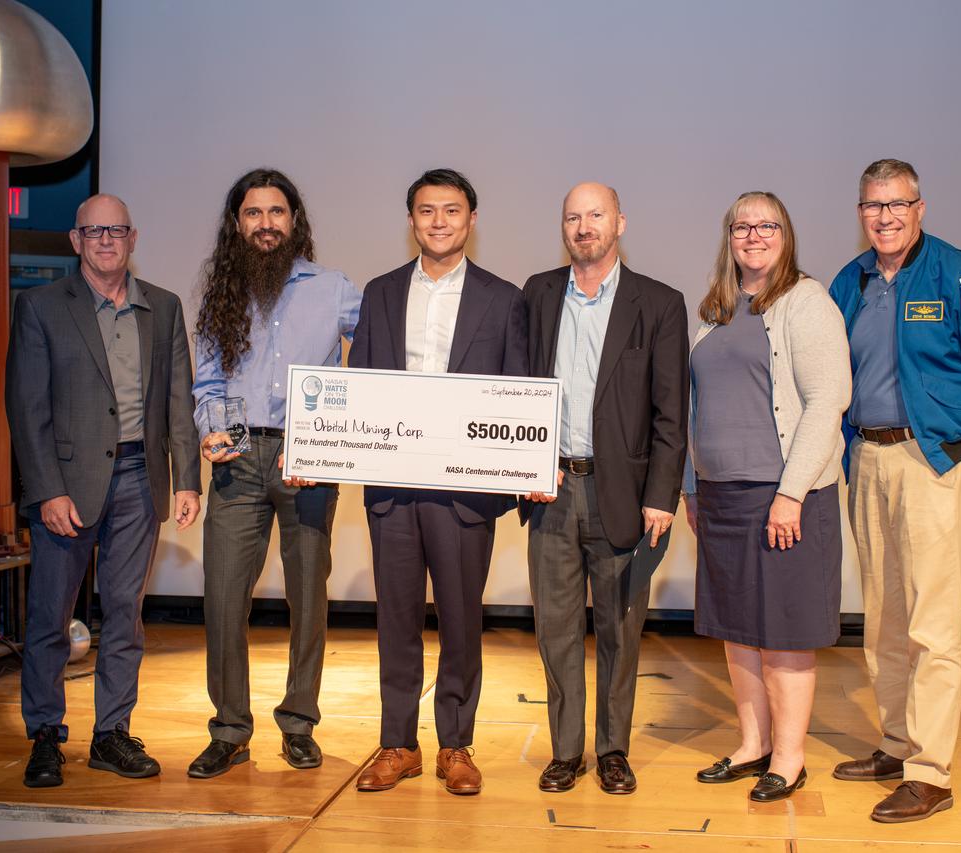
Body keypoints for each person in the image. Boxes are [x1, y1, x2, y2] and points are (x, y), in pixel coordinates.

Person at [829, 159, 961, 822]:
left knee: (933, 623)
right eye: (873, 205)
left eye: (897, 204)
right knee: (883, 616)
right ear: (861, 212)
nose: (884, 217)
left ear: (919, 208)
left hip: (933, 461)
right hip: (869, 460)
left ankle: (931, 772)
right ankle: (896, 744)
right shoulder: (851, 282)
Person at [6, 193, 202, 787]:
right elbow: (26, 408)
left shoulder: (163, 307)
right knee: (51, 615)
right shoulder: (40, 306)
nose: (106, 240)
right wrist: (46, 490)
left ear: (133, 238)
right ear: (76, 241)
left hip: (140, 479)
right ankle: (45, 734)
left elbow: (178, 400)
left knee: (124, 614)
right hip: (67, 486)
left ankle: (111, 734)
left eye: (117, 230)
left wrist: (187, 479)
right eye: (94, 232)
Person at [349, 169, 527, 795]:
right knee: (395, 620)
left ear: (472, 219)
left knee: (461, 621)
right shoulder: (380, 293)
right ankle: (398, 744)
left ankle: (456, 745)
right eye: (427, 211)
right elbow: (360, 383)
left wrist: (518, 472)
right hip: (393, 490)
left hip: (464, 493)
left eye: (452, 210)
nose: (439, 221)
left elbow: (517, 392)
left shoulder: (504, 299)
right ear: (412, 221)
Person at [188, 169, 361, 778]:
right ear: (237, 224)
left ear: (295, 220)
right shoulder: (221, 293)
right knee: (223, 598)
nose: (266, 224)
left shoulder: (335, 289)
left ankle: (299, 723)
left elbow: (377, 359)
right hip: (237, 461)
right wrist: (210, 426)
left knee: (308, 596)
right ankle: (230, 729)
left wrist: (336, 436)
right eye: (253, 213)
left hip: (307, 461)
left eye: (277, 211)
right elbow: (207, 383)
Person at [682, 192, 850, 803]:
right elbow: (694, 405)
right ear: (728, 237)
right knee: (739, 630)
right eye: (741, 226)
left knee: (783, 633)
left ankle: (789, 757)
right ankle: (752, 745)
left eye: (766, 225)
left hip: (784, 499)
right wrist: (692, 486)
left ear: (786, 234)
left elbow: (828, 401)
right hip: (722, 499)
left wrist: (790, 493)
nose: (753, 236)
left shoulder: (806, 302)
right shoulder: (716, 310)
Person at [521, 182, 688, 795]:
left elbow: (671, 415)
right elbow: (515, 388)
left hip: (624, 495)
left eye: (596, 215)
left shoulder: (660, 304)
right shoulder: (537, 294)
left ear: (620, 222)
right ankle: (566, 751)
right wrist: (523, 465)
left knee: (620, 629)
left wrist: (662, 496)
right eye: (573, 217)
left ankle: (613, 750)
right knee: (556, 628)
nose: (583, 226)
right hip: (551, 490)